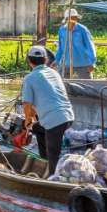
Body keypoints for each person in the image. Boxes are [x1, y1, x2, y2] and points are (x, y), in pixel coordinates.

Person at [22, 45, 74, 175]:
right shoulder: (54, 73)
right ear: (45, 60)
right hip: (69, 116)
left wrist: (27, 120)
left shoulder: (29, 78)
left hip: (55, 121)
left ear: (29, 61)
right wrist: (32, 120)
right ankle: (44, 160)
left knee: (53, 155)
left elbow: (27, 104)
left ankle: (53, 178)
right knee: (37, 128)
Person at [53, 8, 96, 79]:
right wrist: (56, 60)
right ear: (66, 19)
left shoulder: (82, 30)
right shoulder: (62, 30)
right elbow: (60, 47)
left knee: (86, 84)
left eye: (74, 18)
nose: (73, 20)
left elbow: (90, 46)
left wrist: (92, 62)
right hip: (66, 63)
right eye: (70, 18)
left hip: (83, 63)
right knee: (62, 82)